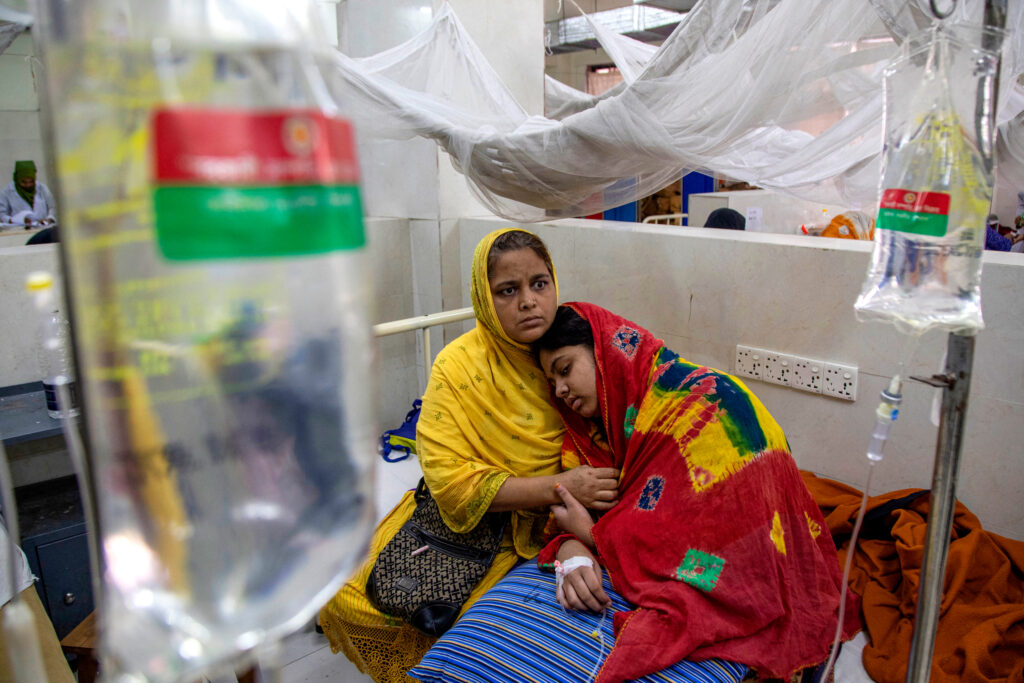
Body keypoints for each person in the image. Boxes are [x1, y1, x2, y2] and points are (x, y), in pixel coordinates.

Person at [318, 228, 620, 682]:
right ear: (484, 297)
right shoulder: (457, 366)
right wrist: (561, 486)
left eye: (539, 283)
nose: (528, 301)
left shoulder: (571, 350)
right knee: (344, 595)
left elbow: (609, 446)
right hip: (463, 523)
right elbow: (448, 481)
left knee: (469, 632)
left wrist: (576, 517)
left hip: (549, 528)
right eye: (507, 290)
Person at [531, 303, 860, 682]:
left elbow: (690, 536)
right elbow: (576, 512)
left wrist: (590, 535)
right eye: (552, 382)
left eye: (565, 369)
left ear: (605, 352)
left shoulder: (697, 401)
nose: (560, 390)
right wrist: (571, 549)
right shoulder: (598, 432)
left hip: (755, 543)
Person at [0, 161, 57, 228]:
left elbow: (52, 207)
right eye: (24, 182)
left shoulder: (42, 188)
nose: (28, 185)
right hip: (19, 231)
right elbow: (2, 214)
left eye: (31, 182)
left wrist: (49, 219)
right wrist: (14, 220)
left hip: (42, 228)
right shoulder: (7, 192)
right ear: (17, 178)